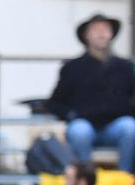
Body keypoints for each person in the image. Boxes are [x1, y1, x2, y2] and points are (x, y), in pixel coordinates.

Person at [48, 13, 135, 174]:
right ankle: (85, 180)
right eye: (96, 29)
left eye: (105, 29)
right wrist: (71, 114)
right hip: (85, 124)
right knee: (79, 131)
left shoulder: (125, 67)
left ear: (111, 34)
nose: (101, 34)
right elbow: (55, 102)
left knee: (130, 127)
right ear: (86, 35)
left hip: (116, 126)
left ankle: (126, 179)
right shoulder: (73, 68)